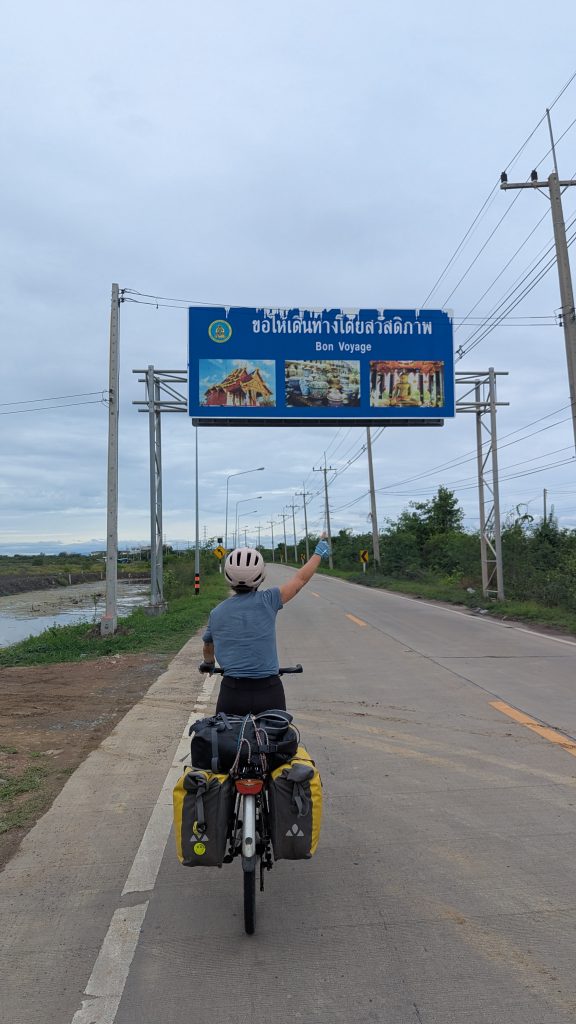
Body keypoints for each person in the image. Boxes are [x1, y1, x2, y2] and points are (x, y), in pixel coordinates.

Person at [199, 538, 331, 714]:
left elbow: (208, 647)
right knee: (280, 737)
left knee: (225, 737)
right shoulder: (269, 600)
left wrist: (208, 663)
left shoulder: (216, 613)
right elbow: (300, 579)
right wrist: (317, 554)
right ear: (261, 576)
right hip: (268, 690)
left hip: (232, 692)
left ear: (228, 577)